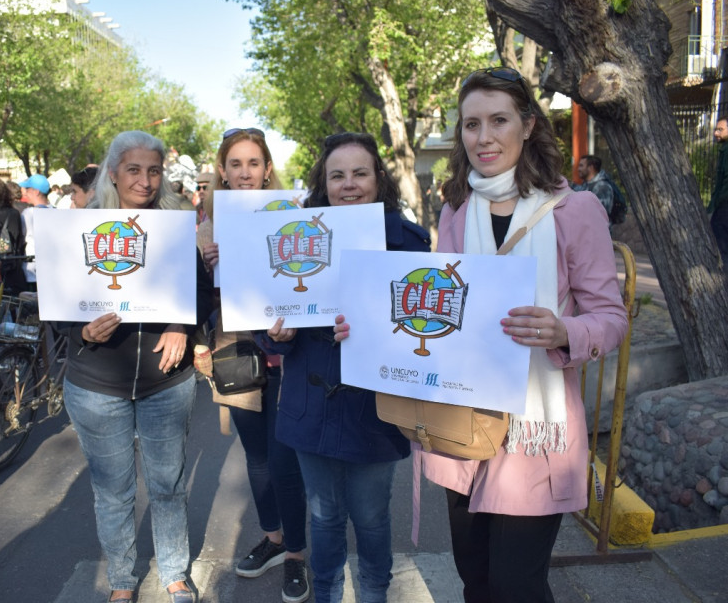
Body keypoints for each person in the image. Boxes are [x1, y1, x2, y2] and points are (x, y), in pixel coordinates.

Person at [338, 68, 627, 603]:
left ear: (528, 124)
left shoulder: (575, 210)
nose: (484, 137)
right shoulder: (455, 209)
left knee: (517, 585)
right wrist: (370, 329)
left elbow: (610, 317)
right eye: (472, 124)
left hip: (534, 433)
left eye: (499, 120)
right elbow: (436, 307)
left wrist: (566, 329)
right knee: (476, 580)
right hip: (460, 427)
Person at [260, 132, 430, 603]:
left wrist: (378, 332)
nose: (349, 184)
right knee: (324, 516)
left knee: (372, 516)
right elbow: (263, 314)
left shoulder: (411, 244)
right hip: (309, 407)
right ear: (323, 183)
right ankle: (326, 594)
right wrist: (275, 334)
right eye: (338, 175)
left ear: (378, 179)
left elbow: (431, 334)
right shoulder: (294, 235)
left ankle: (375, 593)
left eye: (360, 173)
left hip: (376, 413)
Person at [57, 130, 211, 603]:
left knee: (167, 485)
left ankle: (174, 574)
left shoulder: (175, 225)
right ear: (113, 173)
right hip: (97, 383)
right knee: (114, 491)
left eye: (154, 170)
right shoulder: (81, 228)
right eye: (134, 170)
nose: (144, 180)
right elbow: (59, 304)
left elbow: (203, 292)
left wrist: (183, 327)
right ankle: (122, 582)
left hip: (165, 380)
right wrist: (81, 330)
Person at [197, 127, 309, 603]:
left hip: (286, 350)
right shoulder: (203, 222)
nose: (245, 172)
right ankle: (276, 539)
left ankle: (299, 557)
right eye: (236, 164)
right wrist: (207, 266)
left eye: (254, 163)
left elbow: (312, 275)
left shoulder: (295, 212)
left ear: (267, 170)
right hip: (235, 352)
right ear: (223, 169)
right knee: (258, 457)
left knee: (287, 459)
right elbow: (192, 298)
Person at [18, 174, 52, 291]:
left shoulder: (28, 213)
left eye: (27, 189)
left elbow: (21, 235)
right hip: (51, 267)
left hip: (32, 270)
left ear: (36, 191)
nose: (25, 193)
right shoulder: (56, 210)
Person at [709, 118, 728, 267]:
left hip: (725, 205)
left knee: (720, 243)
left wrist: (720, 201)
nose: (716, 133)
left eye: (720, 129)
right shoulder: (724, 149)